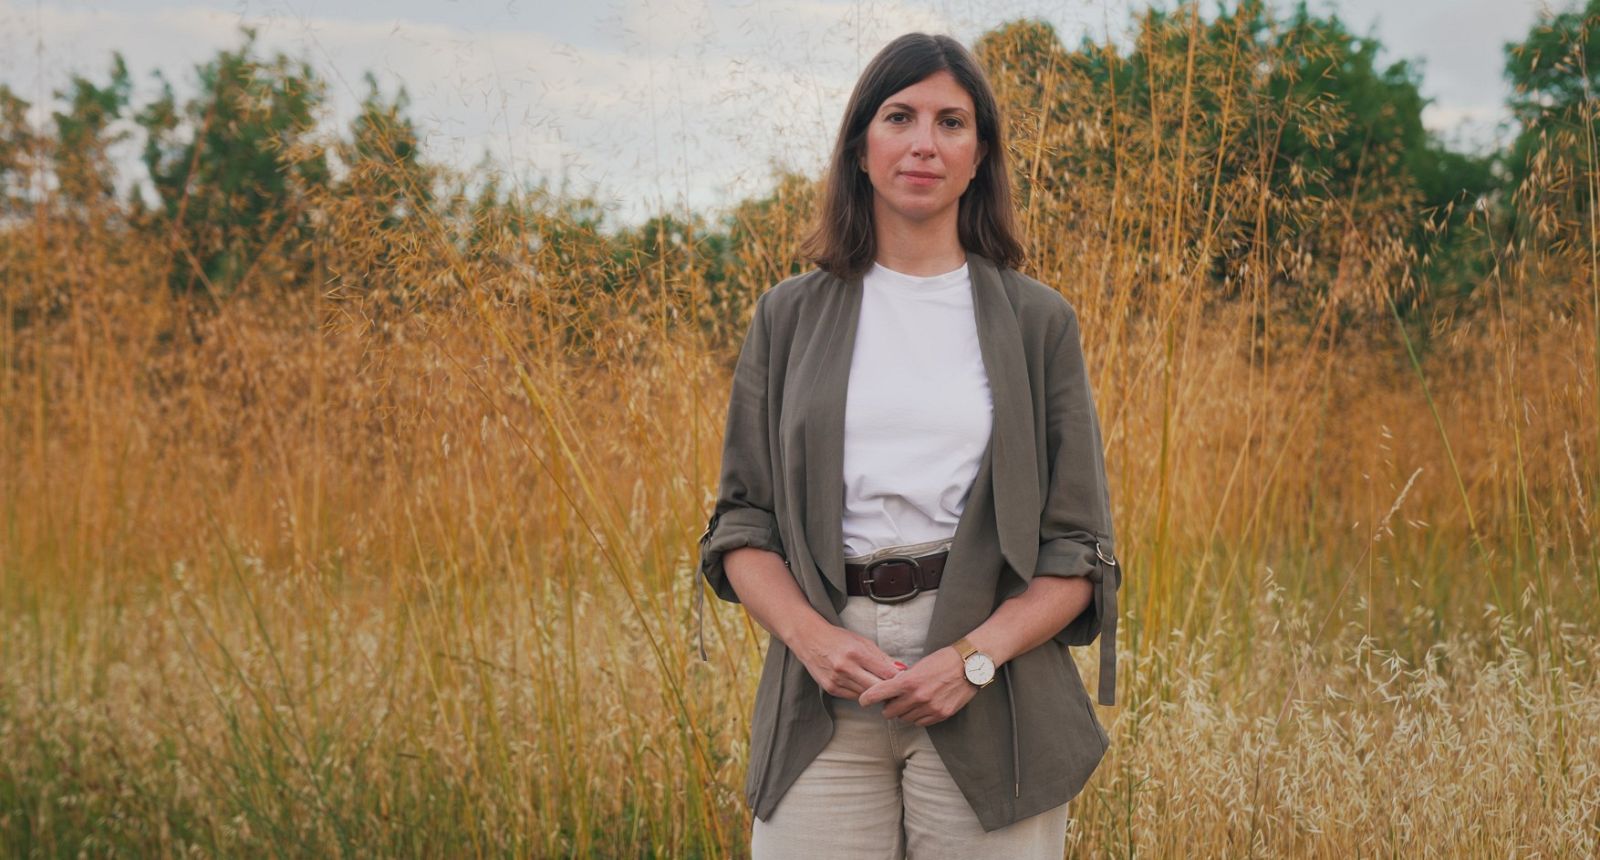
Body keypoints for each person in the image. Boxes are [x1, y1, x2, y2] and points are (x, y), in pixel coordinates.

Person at [696, 31, 1121, 860]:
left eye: (951, 123)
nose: (925, 142)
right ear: (861, 146)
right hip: (825, 684)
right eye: (900, 116)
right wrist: (817, 645)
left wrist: (969, 660)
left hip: (988, 679)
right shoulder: (788, 315)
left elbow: (1077, 551)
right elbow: (743, 525)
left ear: (979, 156)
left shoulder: (1038, 322)